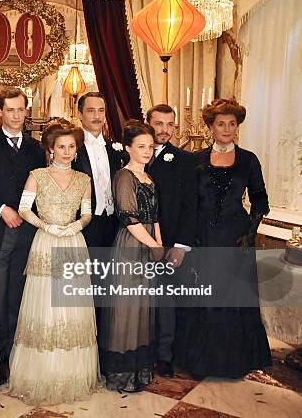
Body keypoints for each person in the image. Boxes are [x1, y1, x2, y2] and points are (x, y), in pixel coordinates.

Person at [175, 99, 271, 378]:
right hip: (203, 236)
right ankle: (200, 362)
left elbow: (260, 200)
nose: (227, 129)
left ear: (237, 126)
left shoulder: (249, 160)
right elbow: (188, 203)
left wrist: (249, 235)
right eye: (221, 124)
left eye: (232, 124)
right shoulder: (196, 160)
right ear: (210, 127)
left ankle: (232, 363)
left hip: (234, 237)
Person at [7, 124, 100, 405]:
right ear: (50, 148)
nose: (66, 152)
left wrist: (76, 226)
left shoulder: (84, 179)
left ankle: (71, 374)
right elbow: (24, 209)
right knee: (45, 306)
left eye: (71, 146)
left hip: (73, 243)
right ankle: (42, 375)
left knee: (71, 309)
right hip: (46, 242)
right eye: (61, 146)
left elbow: (87, 213)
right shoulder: (37, 175)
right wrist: (45, 225)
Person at [0, 88, 45, 382]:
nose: (17, 115)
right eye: (11, 110)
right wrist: (1, 208)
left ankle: (18, 355)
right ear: (0, 112)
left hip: (29, 232)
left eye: (21, 110)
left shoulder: (36, 148)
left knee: (22, 293)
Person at [100, 120, 162, 393]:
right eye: (141, 146)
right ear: (128, 148)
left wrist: (158, 243)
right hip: (130, 245)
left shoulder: (149, 177)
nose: (147, 151)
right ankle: (122, 373)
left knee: (142, 306)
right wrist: (153, 245)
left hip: (148, 244)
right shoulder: (124, 176)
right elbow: (128, 217)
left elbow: (155, 216)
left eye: (150, 146)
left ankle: (139, 370)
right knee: (127, 308)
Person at [145, 104, 197, 378]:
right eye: (159, 124)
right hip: (133, 240)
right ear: (148, 124)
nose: (164, 130)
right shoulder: (130, 154)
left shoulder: (185, 161)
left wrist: (181, 245)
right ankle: (138, 351)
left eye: (169, 125)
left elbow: (191, 207)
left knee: (164, 299)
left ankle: (164, 355)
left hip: (167, 243)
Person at [72, 92, 123, 249]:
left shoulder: (115, 149)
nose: (97, 116)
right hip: (83, 223)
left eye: (101, 110)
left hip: (113, 222)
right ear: (80, 114)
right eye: (91, 110)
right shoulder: (72, 148)